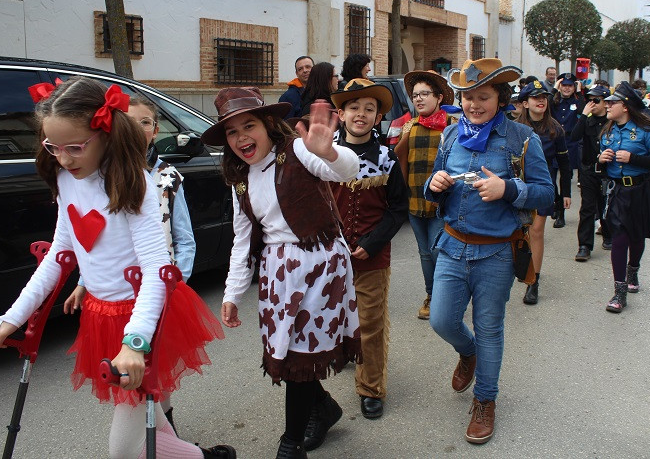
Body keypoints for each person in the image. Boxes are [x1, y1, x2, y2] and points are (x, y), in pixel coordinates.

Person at [0, 76, 230, 459]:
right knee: (149, 419)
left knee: (123, 449)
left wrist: (135, 343)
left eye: (75, 148)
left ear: (105, 135)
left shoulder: (137, 188)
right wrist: (12, 317)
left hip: (142, 319)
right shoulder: (66, 179)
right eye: (53, 147)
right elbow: (60, 255)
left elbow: (156, 271)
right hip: (101, 316)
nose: (62, 159)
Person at [206, 88, 361, 458]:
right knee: (293, 354)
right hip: (278, 274)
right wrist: (231, 293)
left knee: (299, 355)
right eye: (232, 132)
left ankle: (290, 445)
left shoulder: (296, 149)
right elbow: (242, 241)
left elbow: (347, 170)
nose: (242, 137)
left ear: (268, 124)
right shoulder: (239, 177)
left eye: (249, 125)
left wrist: (330, 152)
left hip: (322, 266)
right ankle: (322, 408)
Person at [425, 58, 554, 444]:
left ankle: (485, 401)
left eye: (483, 96)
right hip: (451, 245)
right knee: (442, 322)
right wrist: (435, 183)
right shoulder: (450, 135)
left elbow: (548, 194)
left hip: (496, 253)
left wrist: (509, 189)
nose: (473, 105)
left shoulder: (521, 139)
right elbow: (431, 185)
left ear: (500, 98)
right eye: (467, 97)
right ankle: (468, 353)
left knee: (490, 329)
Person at [64, 95, 197, 431]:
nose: (138, 130)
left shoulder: (167, 177)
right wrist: (83, 281)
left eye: (146, 123)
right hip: (122, 293)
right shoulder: (98, 176)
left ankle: (166, 433)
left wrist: (178, 282)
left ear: (155, 131)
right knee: (141, 378)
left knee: (156, 372)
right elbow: (98, 244)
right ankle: (166, 439)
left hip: (157, 286)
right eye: (131, 121)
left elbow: (184, 237)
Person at [329, 78, 408, 420]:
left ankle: (370, 387)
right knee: (332, 318)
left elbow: (397, 209)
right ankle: (345, 352)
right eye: (354, 107)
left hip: (371, 257)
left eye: (369, 109)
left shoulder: (387, 158)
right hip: (327, 257)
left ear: (377, 118)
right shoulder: (322, 154)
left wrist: (373, 242)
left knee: (371, 322)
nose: (361, 114)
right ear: (341, 113)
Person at [598, 82, 650, 313]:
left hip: (642, 190)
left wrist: (634, 158)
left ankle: (633, 269)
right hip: (618, 192)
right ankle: (619, 293)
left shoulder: (646, 131)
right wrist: (601, 160)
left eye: (613, 102)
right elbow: (598, 167)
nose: (608, 105)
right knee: (620, 237)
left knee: (637, 236)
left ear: (626, 107)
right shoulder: (608, 130)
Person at [394, 70, 457, 320]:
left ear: (439, 97)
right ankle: (431, 296)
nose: (418, 99)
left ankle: (444, 298)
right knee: (424, 252)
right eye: (415, 95)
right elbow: (399, 162)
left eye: (424, 94)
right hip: (414, 201)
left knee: (437, 251)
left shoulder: (452, 127)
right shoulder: (410, 126)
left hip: (442, 204)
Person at [516, 80, 570, 304]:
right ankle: (522, 268)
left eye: (544, 97)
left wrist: (565, 193)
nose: (541, 101)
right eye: (536, 97)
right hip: (517, 188)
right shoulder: (514, 128)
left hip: (542, 189)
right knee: (521, 233)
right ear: (525, 103)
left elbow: (565, 164)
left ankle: (533, 282)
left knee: (536, 231)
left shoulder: (555, 129)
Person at [570, 84, 612, 262]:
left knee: (607, 207)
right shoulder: (587, 120)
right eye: (590, 100)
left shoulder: (612, 121)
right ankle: (584, 245)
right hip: (589, 170)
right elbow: (574, 136)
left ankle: (609, 235)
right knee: (587, 208)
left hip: (608, 171)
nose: (592, 103)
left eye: (597, 100)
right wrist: (584, 114)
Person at [550, 73, 583, 228]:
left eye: (570, 85)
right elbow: (546, 104)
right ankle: (557, 202)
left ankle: (561, 214)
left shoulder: (577, 101)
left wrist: (580, 92)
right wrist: (553, 90)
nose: (567, 88)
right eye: (564, 85)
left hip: (570, 143)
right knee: (550, 179)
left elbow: (584, 110)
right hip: (554, 143)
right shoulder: (554, 101)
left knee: (565, 179)